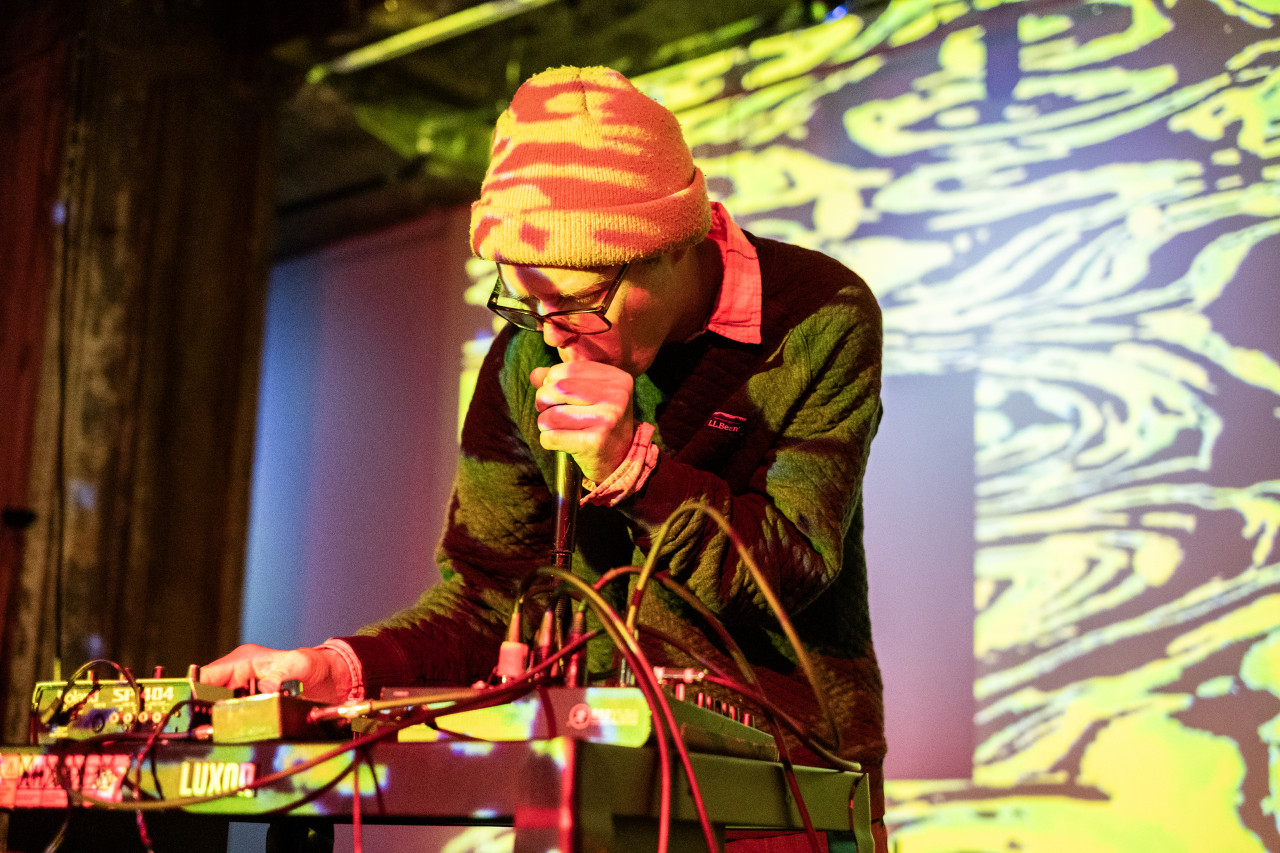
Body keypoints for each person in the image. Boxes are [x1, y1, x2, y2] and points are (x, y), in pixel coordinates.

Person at [203, 65, 886, 850]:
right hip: (604, 782)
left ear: (669, 247)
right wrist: (339, 667)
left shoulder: (820, 314)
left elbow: (794, 565)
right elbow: (491, 596)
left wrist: (633, 469)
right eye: (526, 304)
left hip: (787, 787)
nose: (552, 334)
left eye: (575, 302)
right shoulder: (525, 356)